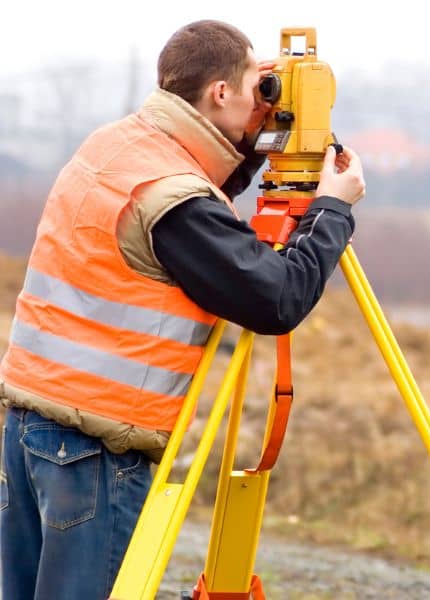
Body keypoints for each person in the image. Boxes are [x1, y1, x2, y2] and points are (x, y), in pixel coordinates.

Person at [0, 20, 365, 599]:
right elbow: (279, 298)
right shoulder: (174, 200)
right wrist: (332, 212)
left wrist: (249, 139)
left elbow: (199, 202)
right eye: (255, 85)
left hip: (30, 429)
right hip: (96, 448)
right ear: (221, 93)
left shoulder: (119, 145)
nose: (262, 100)